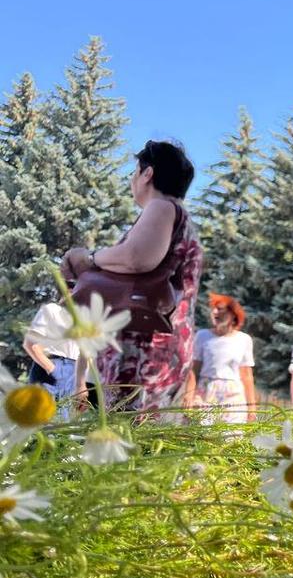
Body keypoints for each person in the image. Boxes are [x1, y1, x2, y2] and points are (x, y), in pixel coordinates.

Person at [61, 140, 202, 412]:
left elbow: (137, 257)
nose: (132, 179)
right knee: (142, 442)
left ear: (147, 173)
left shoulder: (162, 207)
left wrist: (88, 259)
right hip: (159, 352)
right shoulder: (180, 218)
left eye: (134, 171)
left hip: (142, 356)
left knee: (127, 441)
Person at [186, 294, 256, 423]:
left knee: (230, 437)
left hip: (233, 394)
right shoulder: (203, 336)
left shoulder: (244, 339)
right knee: (201, 434)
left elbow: (247, 375)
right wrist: (189, 396)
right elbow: (194, 370)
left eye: (220, 309)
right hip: (206, 391)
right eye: (213, 309)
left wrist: (251, 407)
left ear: (233, 314)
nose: (214, 312)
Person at [23, 302, 80, 415]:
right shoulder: (52, 309)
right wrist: (53, 369)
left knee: (63, 423)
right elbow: (30, 344)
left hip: (73, 371)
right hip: (52, 365)